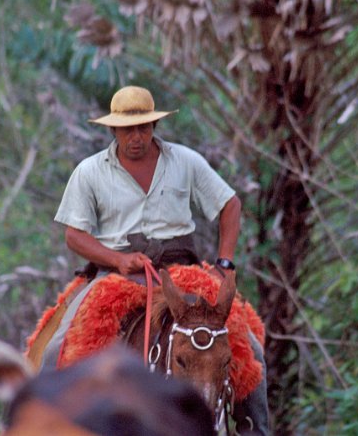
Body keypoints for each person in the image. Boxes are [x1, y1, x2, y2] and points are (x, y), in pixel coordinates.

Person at [46, 85, 269, 435]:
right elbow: (74, 236)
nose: (137, 136)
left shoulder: (186, 161)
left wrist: (224, 264)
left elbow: (230, 205)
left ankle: (253, 428)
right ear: (113, 130)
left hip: (182, 271)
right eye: (128, 129)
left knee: (247, 344)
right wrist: (117, 260)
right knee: (57, 346)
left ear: (154, 126)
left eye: (144, 127)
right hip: (116, 275)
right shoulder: (90, 171)